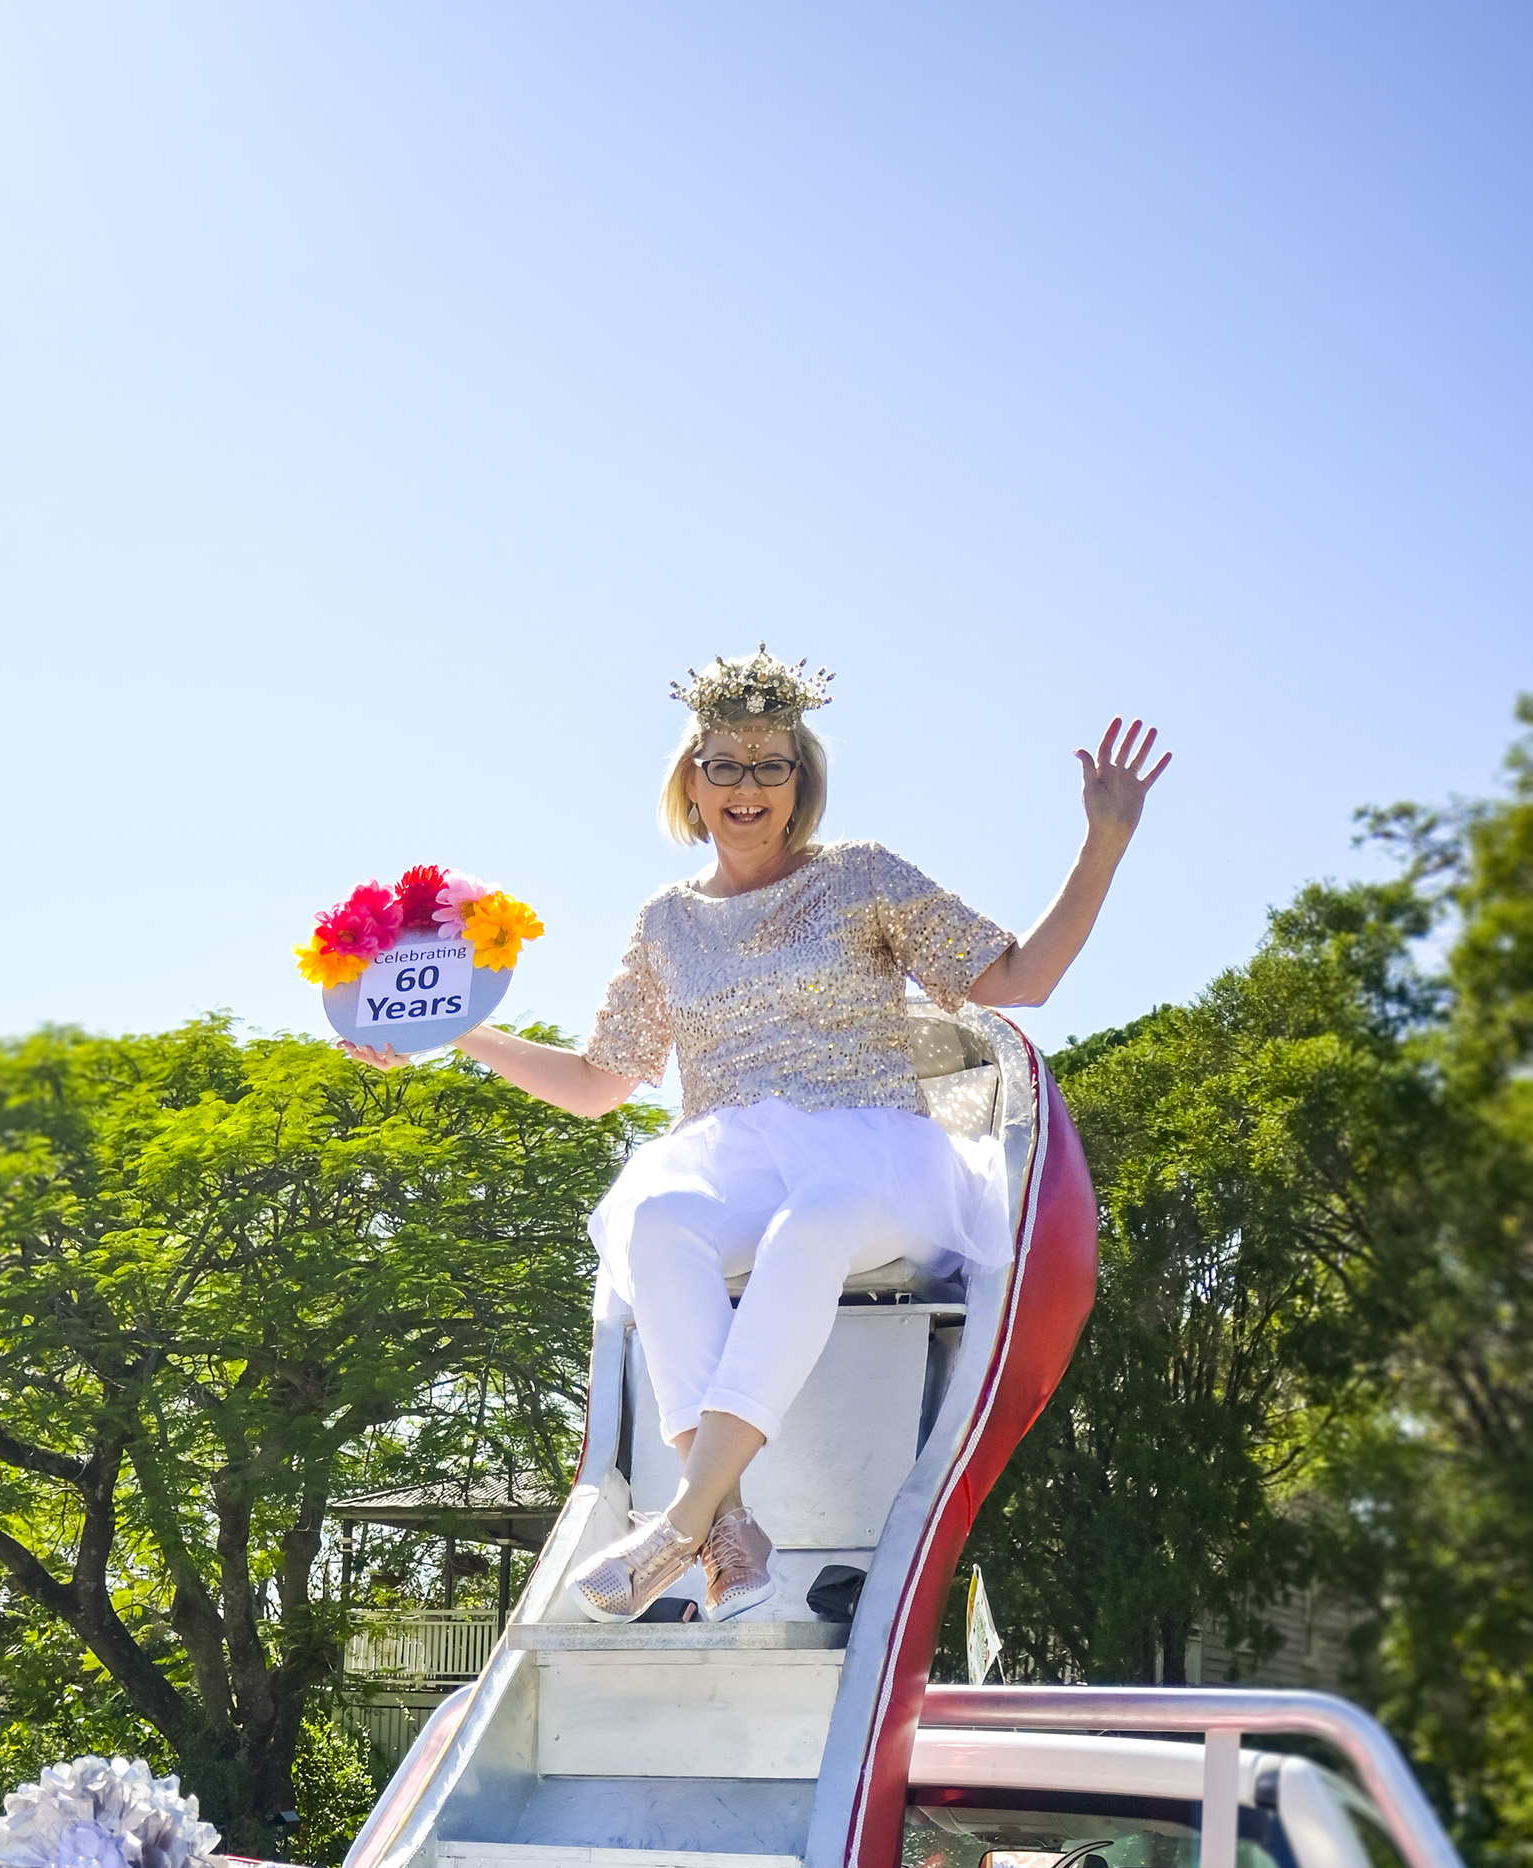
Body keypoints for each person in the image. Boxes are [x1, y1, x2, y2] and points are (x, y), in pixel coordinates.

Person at [357, 653, 1168, 1621]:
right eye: (723, 765)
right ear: (690, 783)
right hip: (728, 1152)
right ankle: (732, 1535)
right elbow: (598, 1085)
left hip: (875, 1151)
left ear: (800, 785)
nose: (746, 787)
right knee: (653, 1217)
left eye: (769, 765)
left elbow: (1017, 981)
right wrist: (455, 1030)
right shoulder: (666, 920)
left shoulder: (861, 875)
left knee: (817, 1212)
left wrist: (1103, 845)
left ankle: (680, 1518)